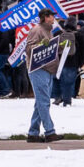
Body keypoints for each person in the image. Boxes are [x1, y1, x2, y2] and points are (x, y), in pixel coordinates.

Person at [26, 9, 62, 143]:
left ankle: (33, 133)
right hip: (38, 68)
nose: (54, 18)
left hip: (47, 68)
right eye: (53, 16)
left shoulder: (48, 31)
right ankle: (50, 132)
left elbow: (49, 49)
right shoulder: (37, 30)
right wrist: (42, 44)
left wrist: (61, 46)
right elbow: (29, 49)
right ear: (46, 17)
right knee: (44, 101)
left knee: (40, 102)